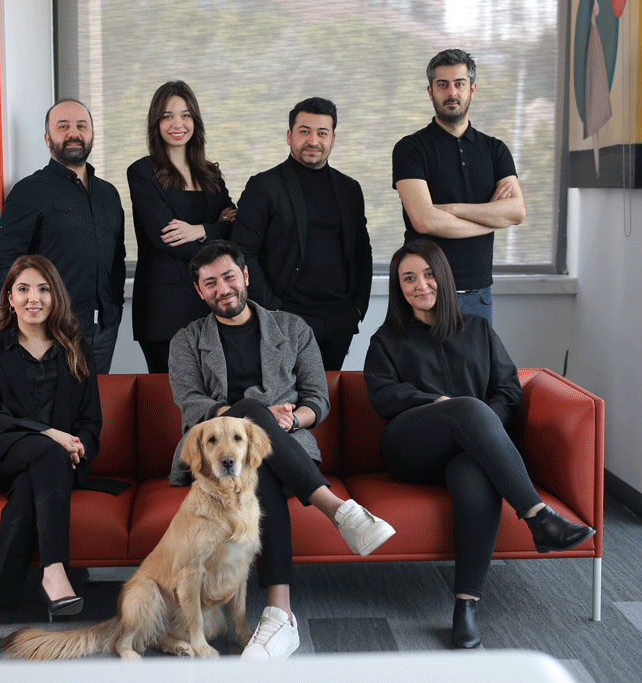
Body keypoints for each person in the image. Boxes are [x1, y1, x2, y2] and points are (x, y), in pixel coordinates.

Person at [168, 240, 395, 660]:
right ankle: (337, 512)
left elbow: (317, 400)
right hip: (215, 457)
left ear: (245, 276)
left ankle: (279, 615)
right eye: (210, 283)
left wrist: (288, 421)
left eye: (229, 277)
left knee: (260, 467)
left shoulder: (292, 329)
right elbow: (192, 403)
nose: (223, 289)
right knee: (253, 413)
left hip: (284, 449)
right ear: (199, 291)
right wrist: (251, 417)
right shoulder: (187, 340)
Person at [363, 239, 594, 649]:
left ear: (443, 277)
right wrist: (438, 404)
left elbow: (508, 390)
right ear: (399, 287)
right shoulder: (386, 340)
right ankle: (540, 517)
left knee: (474, 474)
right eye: (408, 278)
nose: (420, 285)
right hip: (410, 449)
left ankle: (466, 606)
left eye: (428, 274)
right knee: (467, 407)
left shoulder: (478, 329)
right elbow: (383, 396)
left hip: (468, 453)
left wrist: (482, 428)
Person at [0, 255, 128, 657]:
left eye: (43, 289)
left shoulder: (77, 349)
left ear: (56, 297)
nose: (33, 298)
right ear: (9, 298)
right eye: (23, 289)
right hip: (2, 456)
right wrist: (51, 434)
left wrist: (79, 445)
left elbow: (90, 419)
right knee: (47, 453)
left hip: (57, 465)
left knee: (29, 488)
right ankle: (54, 570)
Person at [231, 97, 372, 371]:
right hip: (287, 317)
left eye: (322, 133)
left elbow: (361, 250)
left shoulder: (349, 189)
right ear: (289, 136)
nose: (313, 141)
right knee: (285, 396)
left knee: (329, 394)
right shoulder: (264, 186)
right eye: (304, 131)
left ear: (333, 139)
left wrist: (358, 307)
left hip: (339, 319)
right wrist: (273, 312)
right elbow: (243, 252)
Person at [0, 99, 125, 373]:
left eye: (81, 126)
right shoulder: (29, 191)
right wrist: (30, 318)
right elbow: (4, 262)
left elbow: (117, 260)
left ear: (92, 136)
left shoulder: (109, 194)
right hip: (52, 331)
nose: (73, 133)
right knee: (50, 401)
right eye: (63, 126)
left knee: (97, 399)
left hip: (104, 331)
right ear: (47, 138)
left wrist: (116, 309)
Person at [393, 49, 527, 325]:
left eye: (459, 84)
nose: (451, 92)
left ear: (472, 89)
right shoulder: (410, 148)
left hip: (478, 294)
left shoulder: (495, 150)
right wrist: (491, 220)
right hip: (426, 293)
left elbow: (516, 212)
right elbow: (425, 221)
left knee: (479, 358)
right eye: (442, 85)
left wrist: (452, 209)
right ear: (430, 91)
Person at [127, 81, 236, 373]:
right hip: (164, 308)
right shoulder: (142, 172)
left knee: (214, 393)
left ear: (195, 121)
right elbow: (169, 239)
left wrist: (201, 230)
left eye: (185, 115)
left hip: (212, 303)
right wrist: (218, 227)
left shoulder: (211, 174)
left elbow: (236, 227)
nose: (178, 124)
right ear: (156, 123)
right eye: (167, 116)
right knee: (168, 395)